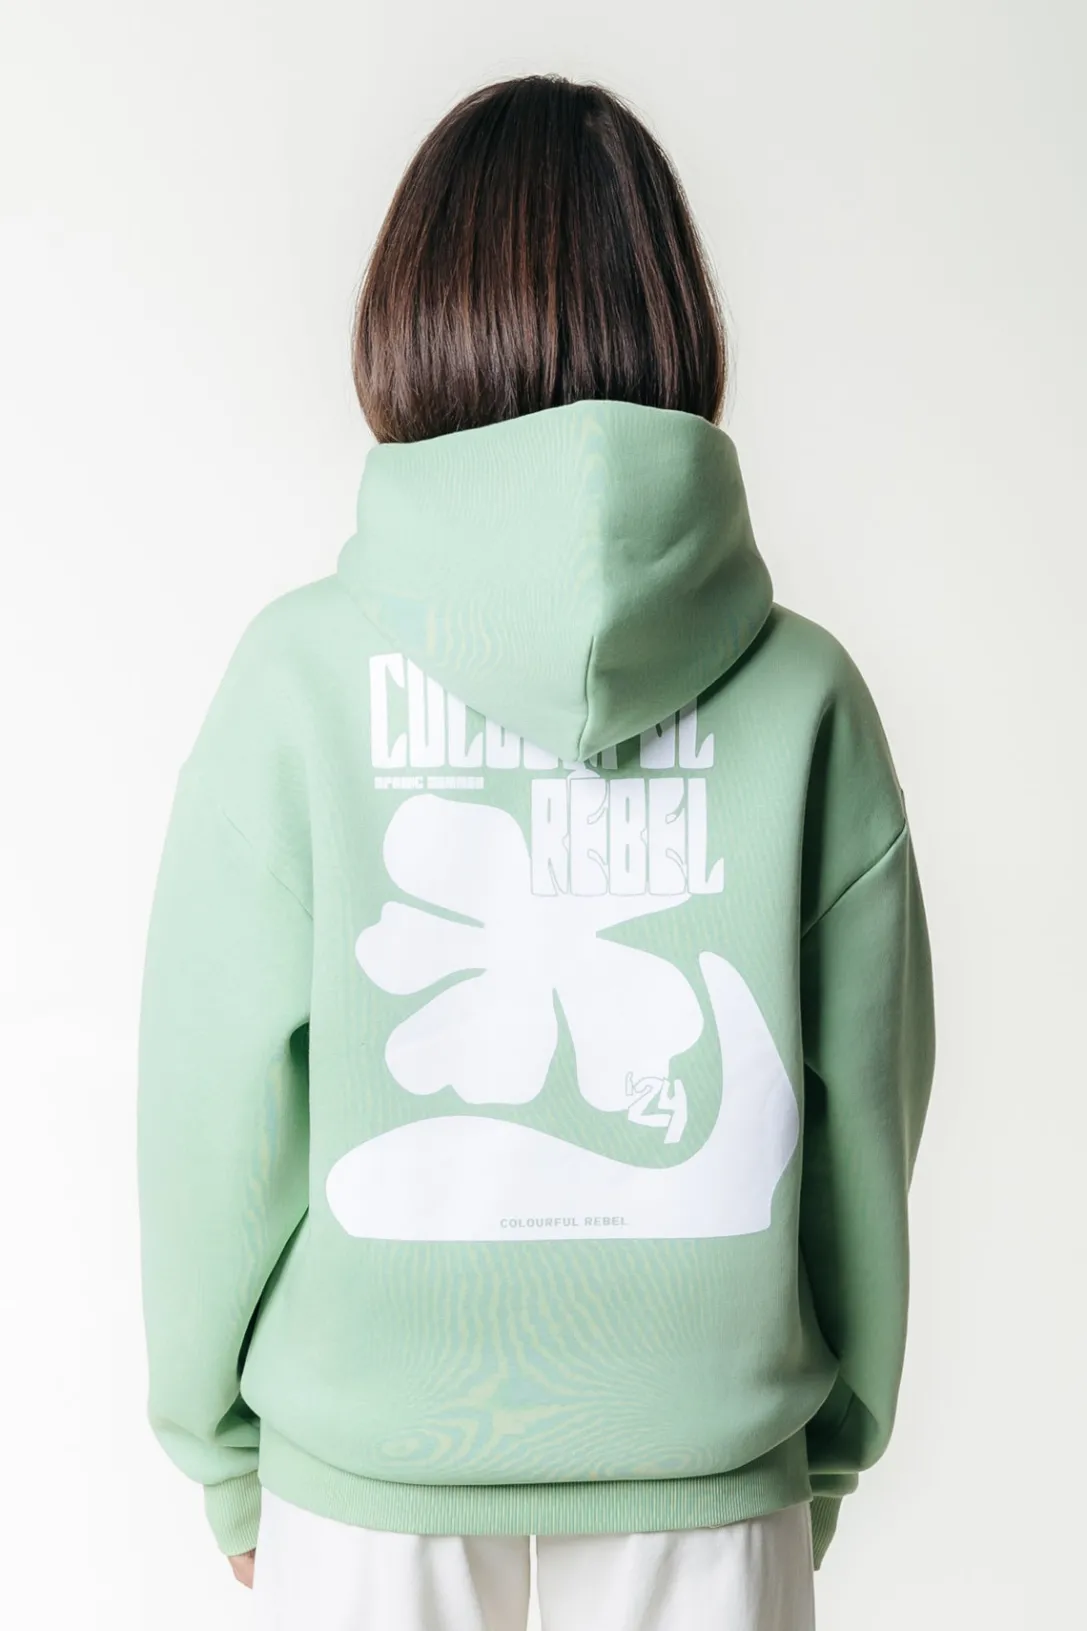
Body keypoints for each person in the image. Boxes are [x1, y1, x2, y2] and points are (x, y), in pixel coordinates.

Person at [137, 73, 935, 1631]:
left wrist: (222, 1450)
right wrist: (817, 1445)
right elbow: (866, 1117)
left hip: (366, 1487)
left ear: (409, 312)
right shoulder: (805, 697)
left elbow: (209, 1109)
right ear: (676, 318)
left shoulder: (297, 682)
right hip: (711, 1473)